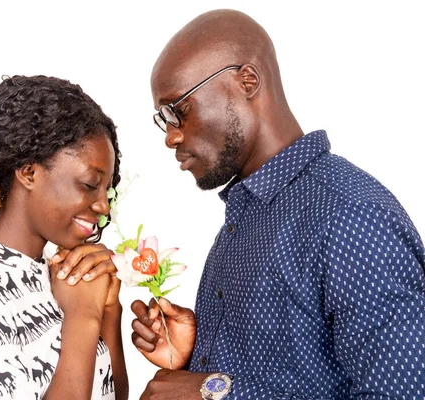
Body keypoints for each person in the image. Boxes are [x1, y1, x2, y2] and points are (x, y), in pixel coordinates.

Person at [131, 9, 425, 399]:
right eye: (162, 119)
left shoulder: (351, 216)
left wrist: (213, 390)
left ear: (247, 81)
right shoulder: (246, 216)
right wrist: (198, 356)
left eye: (178, 110)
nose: (171, 137)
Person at [0, 75, 128, 399]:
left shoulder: (56, 273)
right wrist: (83, 317)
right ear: (29, 173)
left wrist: (109, 314)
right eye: (89, 184)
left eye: (107, 190)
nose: (103, 206)